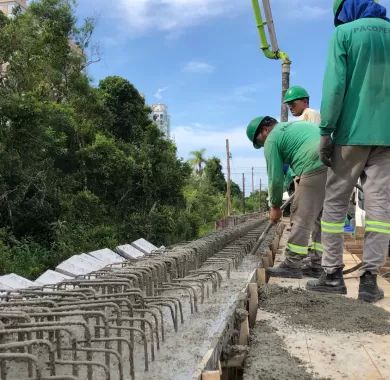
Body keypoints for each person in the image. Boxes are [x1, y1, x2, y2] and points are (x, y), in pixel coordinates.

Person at [306, 0, 390, 303]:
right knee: (380, 209)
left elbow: (335, 85)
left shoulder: (345, 34)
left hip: (351, 134)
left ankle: (332, 275)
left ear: (345, 11)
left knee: (334, 205)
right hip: (387, 138)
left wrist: (326, 131)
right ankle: (369, 281)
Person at [246, 116, 327, 278]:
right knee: (319, 218)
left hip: (312, 165)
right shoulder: (292, 127)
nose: (263, 145)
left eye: (260, 141)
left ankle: (292, 265)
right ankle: (318, 264)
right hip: (330, 163)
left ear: (265, 129)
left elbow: (275, 179)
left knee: (301, 217)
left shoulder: (272, 139)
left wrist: (275, 206)